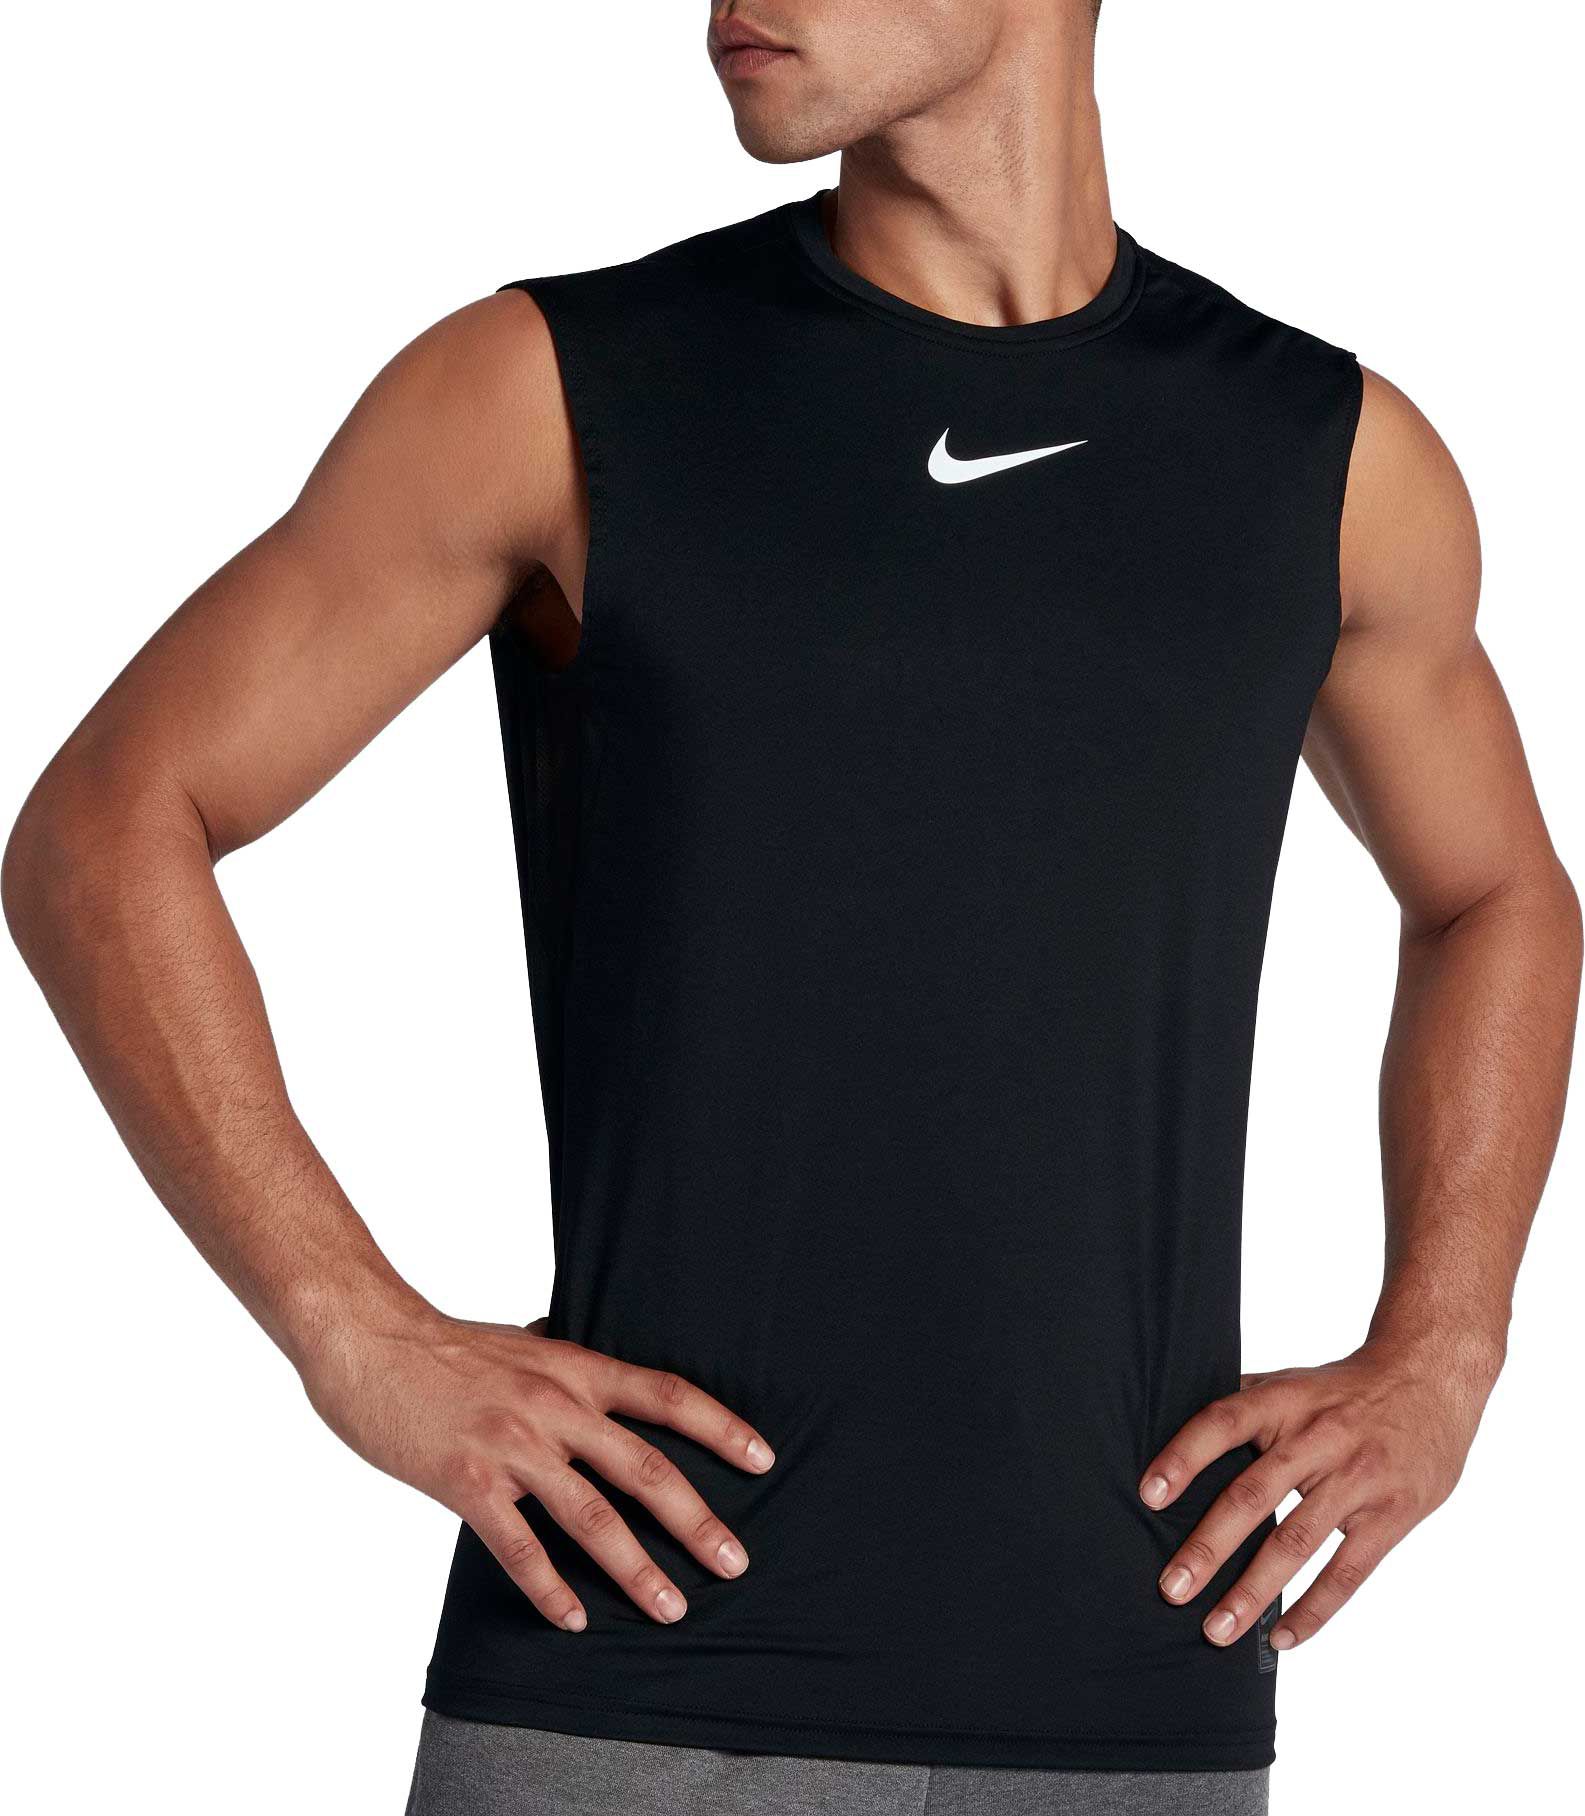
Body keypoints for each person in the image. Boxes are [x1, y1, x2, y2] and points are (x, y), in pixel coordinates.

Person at [5, 3, 1579, 1812]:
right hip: (628, 1691)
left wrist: (1444, 1349)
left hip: (1136, 1696)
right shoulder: (554, 388)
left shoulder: (1325, 455)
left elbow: (1494, 895)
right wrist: (347, 1326)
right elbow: (105, 826)